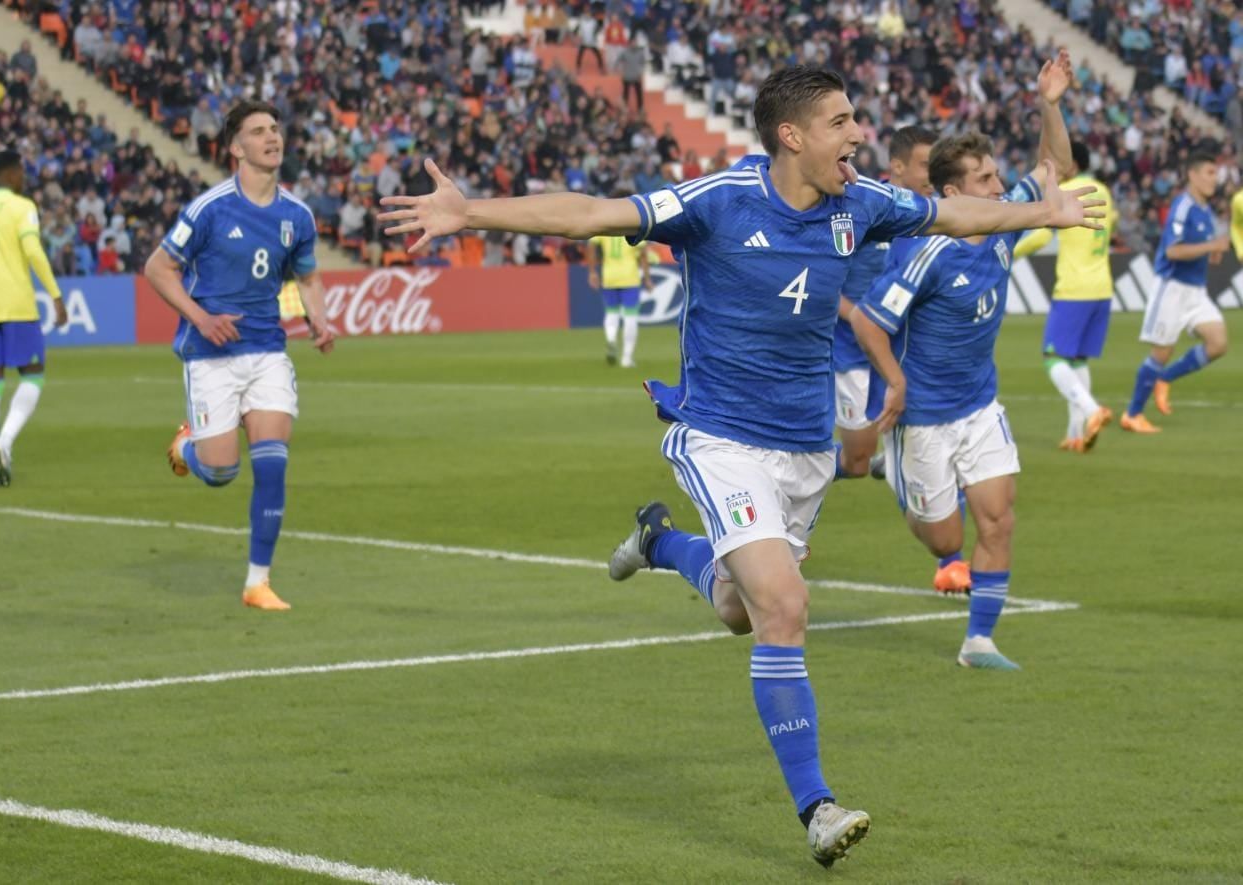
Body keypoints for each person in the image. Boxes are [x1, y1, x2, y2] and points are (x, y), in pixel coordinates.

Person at [376, 66, 1100, 868]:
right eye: (841, 121)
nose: (858, 135)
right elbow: (589, 214)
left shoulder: (859, 203)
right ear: (792, 135)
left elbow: (954, 213)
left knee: (739, 608)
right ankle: (818, 806)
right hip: (721, 437)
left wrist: (1045, 208)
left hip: (804, 449)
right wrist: (470, 209)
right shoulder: (719, 198)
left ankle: (658, 543)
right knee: (786, 606)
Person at [850, 58, 1079, 670]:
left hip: (978, 405)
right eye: (984, 180)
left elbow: (1059, 169)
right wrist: (894, 382)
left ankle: (979, 642)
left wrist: (1049, 103)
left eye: (997, 175)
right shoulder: (927, 255)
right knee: (946, 541)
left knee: (998, 521)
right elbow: (869, 321)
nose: (1000, 187)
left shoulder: (1004, 224)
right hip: (922, 417)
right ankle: (898, 477)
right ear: (951, 194)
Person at [144, 101, 335, 611]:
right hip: (210, 355)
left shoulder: (297, 214)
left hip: (267, 351)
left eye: (275, 129)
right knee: (221, 472)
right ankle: (187, 448)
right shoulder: (210, 208)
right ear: (236, 148)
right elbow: (158, 268)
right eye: (258, 131)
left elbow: (308, 275)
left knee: (272, 465)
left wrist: (319, 317)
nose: (272, 137)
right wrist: (201, 318)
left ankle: (257, 583)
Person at [832, 125, 936, 481]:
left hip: (907, 354)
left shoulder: (931, 216)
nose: (932, 174)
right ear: (898, 166)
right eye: (925, 164)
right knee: (856, 462)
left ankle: (896, 460)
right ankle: (813, 462)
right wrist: (864, 318)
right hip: (853, 352)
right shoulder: (864, 210)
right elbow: (824, 285)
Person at [0, 150, 68, 488]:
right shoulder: (22, 207)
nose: (23, 179)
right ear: (7, 175)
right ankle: (3, 442)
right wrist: (55, 294)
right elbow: (33, 251)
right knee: (33, 376)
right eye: (21, 172)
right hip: (17, 306)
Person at [1016, 139, 1117, 452]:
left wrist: (1009, 253)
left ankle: (1092, 411)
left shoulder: (1066, 190)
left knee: (1053, 358)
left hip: (1074, 288)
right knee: (1076, 359)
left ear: (1071, 164)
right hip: (1102, 287)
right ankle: (1075, 434)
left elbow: (1044, 233)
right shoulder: (1104, 190)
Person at [1121, 150, 1230, 433]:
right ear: (1192, 175)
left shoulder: (1206, 210)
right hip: (1171, 289)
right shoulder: (1183, 207)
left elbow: (1201, 250)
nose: (1214, 179)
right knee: (1161, 352)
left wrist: (1213, 253)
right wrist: (1211, 247)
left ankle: (1164, 379)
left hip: (1195, 291)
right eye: (1209, 173)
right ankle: (1132, 414)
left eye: (1215, 174)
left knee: (1218, 343)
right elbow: (1172, 250)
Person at [588, 205, 651, 367]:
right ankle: (627, 358)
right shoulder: (633, 226)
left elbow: (591, 246)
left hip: (609, 276)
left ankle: (611, 339)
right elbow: (643, 256)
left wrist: (592, 271)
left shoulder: (605, 226)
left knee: (612, 313)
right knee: (630, 317)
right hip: (629, 277)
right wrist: (648, 279)